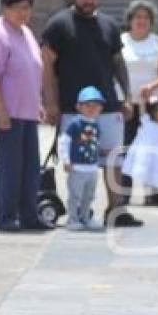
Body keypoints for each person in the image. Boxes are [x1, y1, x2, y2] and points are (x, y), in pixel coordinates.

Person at [41, 0, 143, 227]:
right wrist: (50, 103)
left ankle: (115, 210)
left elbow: (118, 64)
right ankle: (78, 212)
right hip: (73, 109)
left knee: (114, 160)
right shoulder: (59, 24)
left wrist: (127, 97)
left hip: (108, 107)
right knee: (75, 162)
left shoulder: (109, 25)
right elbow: (46, 65)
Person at [0, 0, 53, 232]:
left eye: (27, 8)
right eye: (18, 8)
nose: (24, 13)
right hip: (6, 113)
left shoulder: (25, 32)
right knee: (9, 166)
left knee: (31, 167)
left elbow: (31, 71)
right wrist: (0, 111)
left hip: (27, 112)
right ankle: (7, 218)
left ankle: (29, 216)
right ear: (5, 8)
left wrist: (38, 104)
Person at [120, 0, 158, 202]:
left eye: (145, 17)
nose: (141, 21)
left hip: (153, 105)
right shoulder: (122, 41)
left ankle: (155, 192)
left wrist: (152, 86)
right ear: (130, 20)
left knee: (156, 150)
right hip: (128, 104)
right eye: (137, 17)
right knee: (126, 148)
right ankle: (123, 195)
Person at [58, 86, 104, 231]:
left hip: (92, 167)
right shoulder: (75, 123)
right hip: (77, 167)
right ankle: (72, 219)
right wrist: (66, 160)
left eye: (95, 106)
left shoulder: (96, 125)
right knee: (75, 195)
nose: (92, 109)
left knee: (89, 195)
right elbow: (64, 142)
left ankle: (86, 217)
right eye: (87, 105)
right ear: (79, 107)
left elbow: (95, 144)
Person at [122, 96, 158, 207]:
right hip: (148, 157)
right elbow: (142, 111)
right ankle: (148, 196)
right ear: (153, 113)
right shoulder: (147, 123)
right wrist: (144, 99)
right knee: (147, 177)